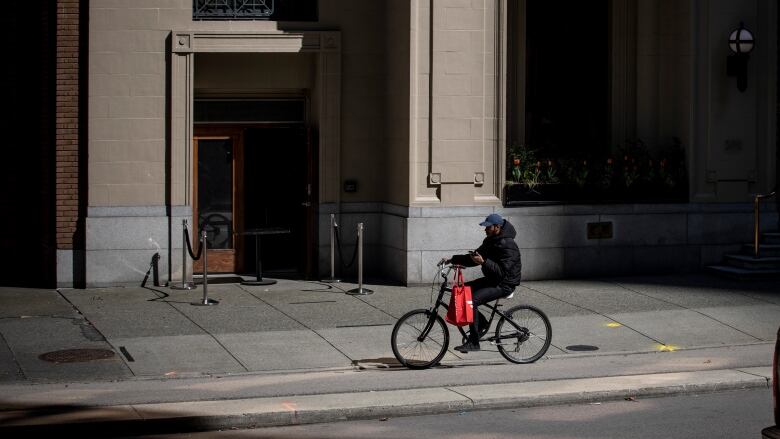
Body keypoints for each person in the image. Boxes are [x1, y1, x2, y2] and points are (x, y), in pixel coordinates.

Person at [443, 213, 522, 353]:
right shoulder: (491, 240)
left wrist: (484, 262)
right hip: (493, 280)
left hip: (505, 284)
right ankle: (482, 323)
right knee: (463, 290)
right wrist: (452, 259)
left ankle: (474, 342)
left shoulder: (508, 244)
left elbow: (502, 272)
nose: (485, 230)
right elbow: (473, 258)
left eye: (488, 227)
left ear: (497, 227)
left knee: (471, 301)